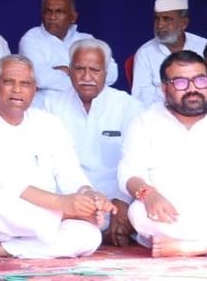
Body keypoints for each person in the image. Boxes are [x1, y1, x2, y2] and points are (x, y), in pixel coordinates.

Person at [0, 55, 111, 258]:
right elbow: (10, 185)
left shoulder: (49, 124)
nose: (17, 90)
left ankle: (3, 250)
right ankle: (57, 223)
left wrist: (88, 194)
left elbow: (69, 171)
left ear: (34, 89)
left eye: (25, 84)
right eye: (9, 82)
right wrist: (66, 209)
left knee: (90, 236)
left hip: (45, 216)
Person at [38, 39, 143, 247]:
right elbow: (46, 165)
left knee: (143, 214)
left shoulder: (129, 107)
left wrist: (121, 204)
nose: (87, 77)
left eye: (95, 70)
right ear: (69, 70)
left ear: (106, 72)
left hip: (115, 202)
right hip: (69, 203)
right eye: (79, 69)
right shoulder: (50, 106)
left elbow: (135, 161)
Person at [119, 50, 207, 257]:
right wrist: (149, 194)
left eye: (200, 80)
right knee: (138, 211)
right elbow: (129, 172)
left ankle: (200, 246)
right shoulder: (145, 121)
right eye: (181, 82)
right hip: (170, 213)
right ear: (165, 88)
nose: (193, 89)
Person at [17, 0, 117, 101]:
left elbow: (112, 73)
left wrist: (68, 71)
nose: (52, 17)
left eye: (59, 11)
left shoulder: (86, 39)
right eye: (48, 11)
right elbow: (40, 78)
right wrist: (87, 80)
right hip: (47, 103)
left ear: (73, 17)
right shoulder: (31, 38)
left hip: (89, 103)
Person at [131, 0, 207, 106]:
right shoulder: (145, 53)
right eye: (157, 19)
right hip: (162, 113)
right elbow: (140, 98)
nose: (160, 25)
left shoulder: (204, 47)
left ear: (183, 23)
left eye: (167, 19)